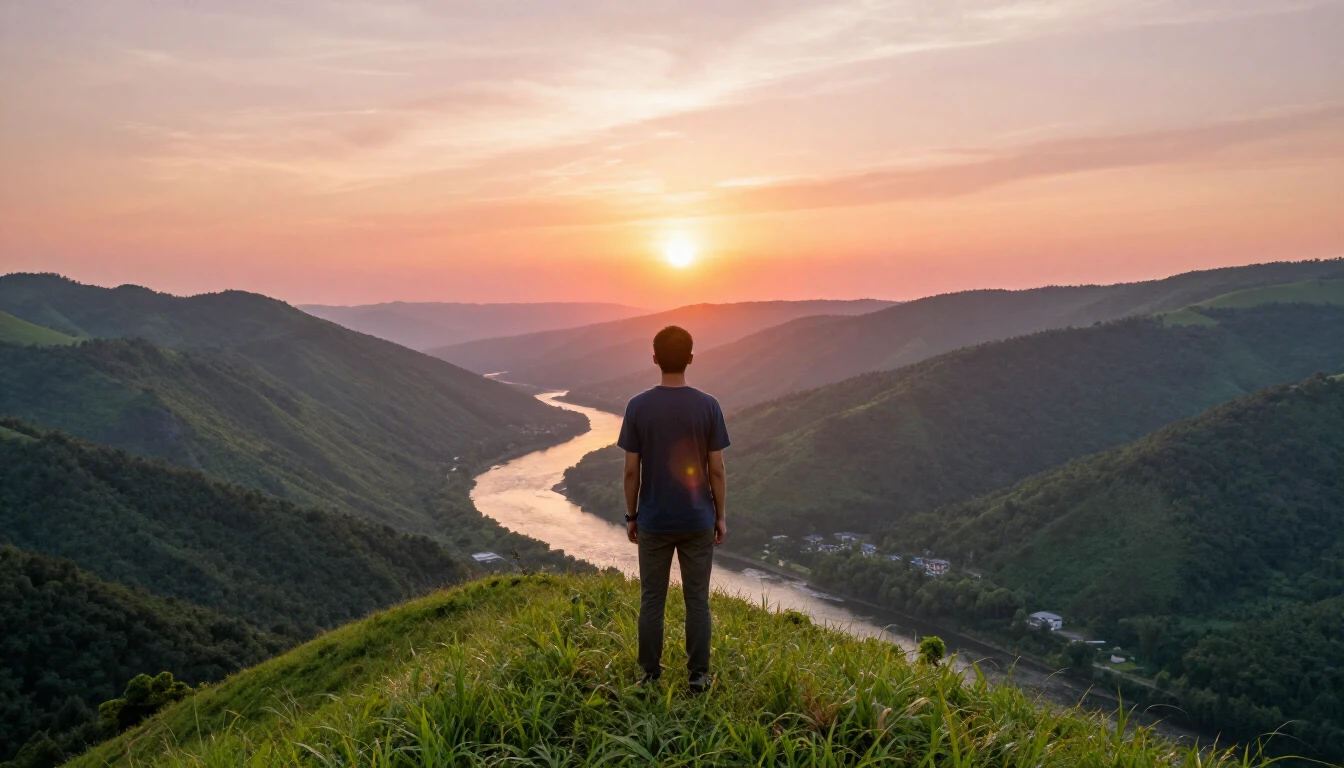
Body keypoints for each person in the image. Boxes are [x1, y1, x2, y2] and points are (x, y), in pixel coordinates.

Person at [618, 325, 729, 693]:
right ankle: (698, 675)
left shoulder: (638, 406)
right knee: (697, 600)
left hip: (654, 518)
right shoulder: (708, 406)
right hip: (698, 519)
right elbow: (716, 468)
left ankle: (649, 674)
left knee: (653, 599)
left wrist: (632, 515)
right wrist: (720, 516)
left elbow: (632, 469)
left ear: (654, 359)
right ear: (691, 359)